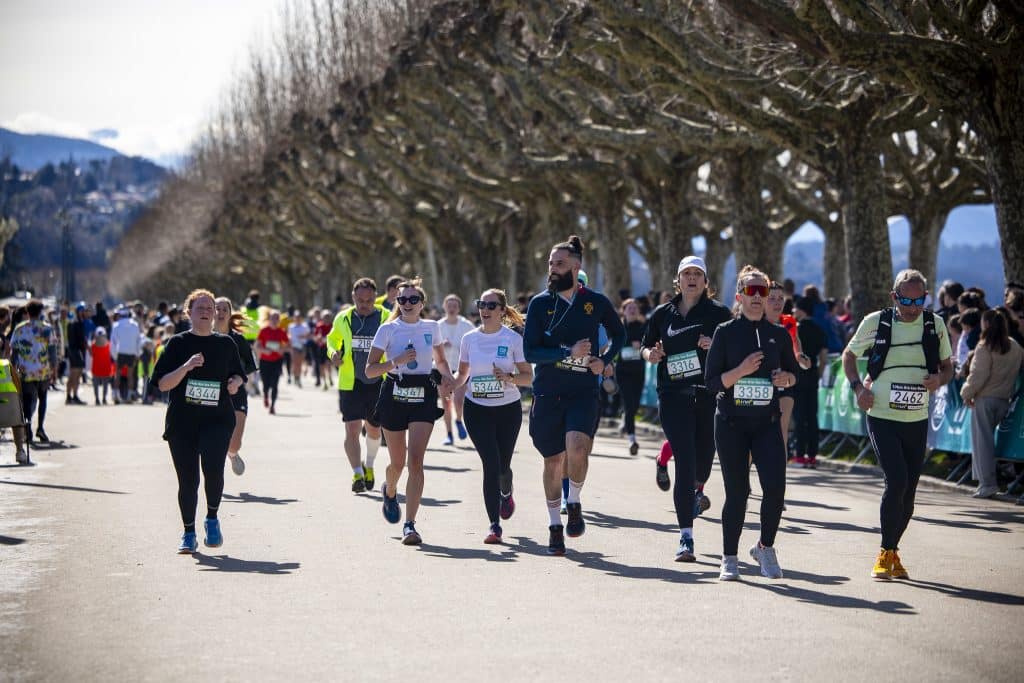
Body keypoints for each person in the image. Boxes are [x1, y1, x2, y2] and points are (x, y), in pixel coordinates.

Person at [843, 269, 954, 580]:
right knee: (897, 481)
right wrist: (858, 389)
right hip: (881, 415)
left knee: (909, 493)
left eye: (919, 300)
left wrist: (939, 380)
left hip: (916, 418)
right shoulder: (877, 321)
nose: (913, 306)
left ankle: (894, 552)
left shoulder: (935, 325)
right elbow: (848, 356)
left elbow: (948, 368)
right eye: (906, 299)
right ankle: (884, 551)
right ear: (894, 297)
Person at [523, 235, 624, 555]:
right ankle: (555, 525)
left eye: (560, 263)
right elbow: (530, 350)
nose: (553, 268)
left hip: (582, 391)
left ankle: (574, 501)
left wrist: (603, 361)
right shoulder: (540, 304)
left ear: (576, 266)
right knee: (553, 462)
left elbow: (620, 335)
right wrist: (567, 352)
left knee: (578, 448)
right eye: (550, 263)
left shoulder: (595, 301)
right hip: (548, 392)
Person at [705, 266, 799, 580]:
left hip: (767, 423)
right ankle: (729, 557)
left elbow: (792, 375)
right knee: (737, 492)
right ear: (740, 297)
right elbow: (712, 383)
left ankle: (765, 547)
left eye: (763, 291)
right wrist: (742, 371)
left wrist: (786, 377)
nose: (758, 297)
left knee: (775, 489)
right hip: (731, 424)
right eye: (752, 291)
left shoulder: (779, 334)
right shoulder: (726, 332)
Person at [642, 255, 732, 561]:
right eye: (686, 274)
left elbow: (735, 353)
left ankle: (695, 492)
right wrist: (650, 355)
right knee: (685, 461)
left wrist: (715, 345)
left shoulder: (719, 313)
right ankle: (686, 537)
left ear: (706, 281)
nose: (691, 278)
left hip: (708, 396)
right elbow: (645, 345)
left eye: (697, 274)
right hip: (672, 394)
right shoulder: (662, 313)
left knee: (703, 464)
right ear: (677, 280)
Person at [152, 289, 246, 554]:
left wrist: (234, 383)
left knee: (214, 470)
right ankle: (188, 532)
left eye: (209, 307)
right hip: (183, 422)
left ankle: (212, 518)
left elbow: (239, 376)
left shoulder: (226, 344)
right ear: (188, 313)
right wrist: (186, 367)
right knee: (188, 480)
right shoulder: (177, 344)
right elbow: (161, 383)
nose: (206, 311)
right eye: (200, 307)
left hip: (217, 419)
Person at [365, 279, 454, 545]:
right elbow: (370, 370)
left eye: (413, 300)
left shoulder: (431, 327)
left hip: (423, 394)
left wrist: (447, 378)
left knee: (416, 461)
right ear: (396, 303)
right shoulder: (388, 329)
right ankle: (390, 490)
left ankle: (410, 525)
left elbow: (439, 360)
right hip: (394, 393)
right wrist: (396, 361)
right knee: (398, 463)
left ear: (422, 304)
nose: (406, 304)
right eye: (402, 300)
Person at [454, 289, 533, 543]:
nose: (484, 309)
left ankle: (506, 491)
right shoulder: (469, 338)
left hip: (507, 410)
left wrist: (508, 378)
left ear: (502, 309)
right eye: (481, 304)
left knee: (503, 466)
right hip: (476, 409)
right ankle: (494, 525)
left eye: (490, 305)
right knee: (490, 463)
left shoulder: (512, 339)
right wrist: (447, 383)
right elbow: (461, 375)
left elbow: (528, 376)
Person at [326, 277, 386, 493]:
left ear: (375, 298)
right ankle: (357, 474)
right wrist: (333, 353)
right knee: (351, 429)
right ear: (353, 297)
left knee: (374, 429)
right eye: (360, 300)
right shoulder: (343, 318)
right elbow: (332, 340)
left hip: (378, 381)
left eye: (369, 300)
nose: (364, 304)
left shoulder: (385, 317)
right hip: (351, 382)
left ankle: (369, 465)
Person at [961, 309, 1024, 498]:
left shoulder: (984, 346)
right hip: (1005, 400)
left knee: (982, 443)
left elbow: (978, 376)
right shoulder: (1016, 347)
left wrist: (966, 393)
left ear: (986, 324)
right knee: (992, 443)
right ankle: (990, 481)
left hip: (985, 399)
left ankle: (987, 483)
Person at [215, 297, 257, 476]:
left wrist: (239, 380)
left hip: (237, 392)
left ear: (230, 314)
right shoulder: (205, 337)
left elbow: (250, 365)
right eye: (217, 308)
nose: (221, 312)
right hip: (213, 394)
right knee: (213, 438)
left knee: (234, 443)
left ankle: (232, 453)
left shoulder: (238, 339)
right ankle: (214, 474)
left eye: (225, 309)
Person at [9, 299, 56, 444]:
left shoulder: (19, 329)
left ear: (27, 312)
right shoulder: (47, 328)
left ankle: (28, 429)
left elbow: (14, 352)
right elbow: (52, 351)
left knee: (27, 400)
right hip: (42, 370)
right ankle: (40, 427)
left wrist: (13, 368)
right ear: (41, 312)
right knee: (43, 398)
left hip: (25, 371)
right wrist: (54, 369)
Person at [791, 297, 828, 467]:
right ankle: (812, 455)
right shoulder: (819, 329)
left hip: (797, 376)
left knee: (799, 417)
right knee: (812, 417)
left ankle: (800, 454)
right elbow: (823, 356)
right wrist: (818, 374)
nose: (793, 312)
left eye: (795, 309)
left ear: (801, 310)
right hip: (812, 376)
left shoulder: (796, 330)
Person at [438, 294, 475, 445]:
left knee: (458, 401)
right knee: (446, 402)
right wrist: (441, 344)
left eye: (455, 306)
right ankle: (449, 434)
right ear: (444, 307)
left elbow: (475, 343)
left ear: (459, 308)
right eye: (449, 305)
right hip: (442, 369)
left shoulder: (467, 326)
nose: (452, 308)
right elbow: (429, 345)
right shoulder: (438, 325)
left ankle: (458, 420)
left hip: (462, 368)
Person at [616, 298, 647, 456]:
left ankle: (625, 419)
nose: (633, 310)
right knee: (629, 404)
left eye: (635, 308)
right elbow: (614, 342)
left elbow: (648, 342)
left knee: (634, 405)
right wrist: (629, 343)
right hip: (622, 372)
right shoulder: (619, 327)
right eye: (630, 308)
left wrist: (641, 345)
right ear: (624, 310)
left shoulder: (643, 327)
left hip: (638, 371)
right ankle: (632, 439)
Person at [254, 311, 288, 414]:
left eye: (276, 318)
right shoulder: (264, 331)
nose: (274, 320)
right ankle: (265, 395)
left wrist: (282, 349)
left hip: (277, 361)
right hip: (265, 361)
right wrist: (265, 350)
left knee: (275, 383)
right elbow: (257, 345)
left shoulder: (281, 331)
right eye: (273, 318)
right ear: (269, 319)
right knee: (266, 384)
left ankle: (272, 406)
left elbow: (287, 345)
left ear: (279, 320)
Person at [111, 308, 142, 403]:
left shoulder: (116, 325)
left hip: (120, 352)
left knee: (118, 374)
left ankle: (115, 395)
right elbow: (138, 341)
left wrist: (114, 356)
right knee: (130, 375)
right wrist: (137, 354)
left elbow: (113, 342)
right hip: (131, 352)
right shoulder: (135, 325)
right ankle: (129, 396)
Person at [65, 303, 88, 405]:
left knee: (77, 374)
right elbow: (73, 339)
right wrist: (76, 350)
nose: (83, 313)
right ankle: (70, 396)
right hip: (75, 351)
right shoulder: (74, 323)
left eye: (83, 311)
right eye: (81, 311)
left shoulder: (80, 322)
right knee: (74, 374)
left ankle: (73, 396)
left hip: (79, 351)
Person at [90, 328, 114, 404]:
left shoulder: (93, 345)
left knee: (96, 385)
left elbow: (91, 354)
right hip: (106, 368)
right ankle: (104, 398)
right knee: (105, 385)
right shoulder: (109, 345)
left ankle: (97, 399)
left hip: (96, 368)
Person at [287, 311, 308, 388]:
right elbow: (288, 335)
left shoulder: (304, 326)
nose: (297, 319)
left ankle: (298, 377)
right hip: (294, 346)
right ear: (294, 318)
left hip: (302, 346)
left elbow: (308, 335)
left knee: (300, 363)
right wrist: (289, 339)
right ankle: (296, 377)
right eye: (296, 317)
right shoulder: (291, 326)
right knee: (295, 363)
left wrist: (303, 336)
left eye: (299, 317)